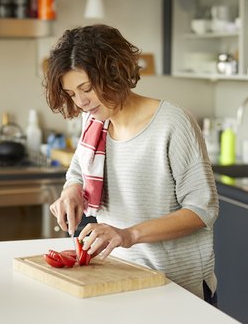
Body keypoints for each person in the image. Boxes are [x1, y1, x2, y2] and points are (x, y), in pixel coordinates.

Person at [43, 24, 219, 303]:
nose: (81, 102)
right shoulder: (95, 121)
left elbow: (201, 210)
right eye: (72, 93)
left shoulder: (172, 123)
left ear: (114, 72)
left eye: (86, 88)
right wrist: (71, 191)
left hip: (175, 288)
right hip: (119, 276)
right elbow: (77, 169)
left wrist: (128, 234)